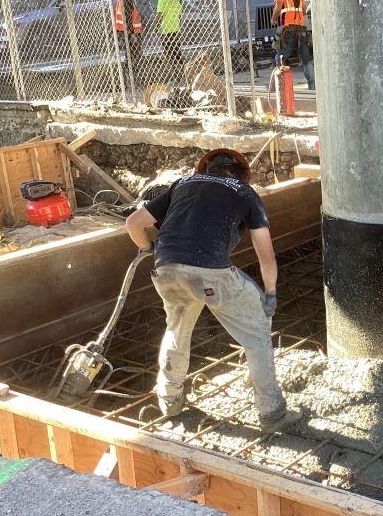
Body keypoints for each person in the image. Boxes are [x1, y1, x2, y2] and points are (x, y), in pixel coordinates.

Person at [125, 148, 301, 431]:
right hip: (210, 274)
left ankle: (170, 401)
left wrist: (149, 249)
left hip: (166, 270)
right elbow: (266, 257)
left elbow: (133, 223)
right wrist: (269, 294)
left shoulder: (181, 184)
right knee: (256, 335)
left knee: (176, 331)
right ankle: (272, 414)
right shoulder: (245, 194)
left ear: (205, 169)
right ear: (241, 174)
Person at [271, 0, 314, 90]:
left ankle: (279, 88)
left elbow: (278, 8)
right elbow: (304, 10)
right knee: (306, 60)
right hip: (301, 31)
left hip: (288, 31)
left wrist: (273, 19)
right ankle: (312, 86)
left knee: (279, 58)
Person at [114, 0, 143, 90]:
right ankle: (133, 83)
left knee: (128, 58)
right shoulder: (126, 1)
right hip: (131, 34)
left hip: (125, 33)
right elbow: (127, 20)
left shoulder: (121, 0)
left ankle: (127, 83)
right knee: (133, 58)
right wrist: (131, 36)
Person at [156, 0, 184, 84]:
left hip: (166, 31)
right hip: (176, 30)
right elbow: (179, 17)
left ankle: (176, 77)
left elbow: (159, 16)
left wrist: (156, 27)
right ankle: (182, 75)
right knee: (177, 52)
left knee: (169, 54)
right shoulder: (177, 1)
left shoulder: (162, 1)